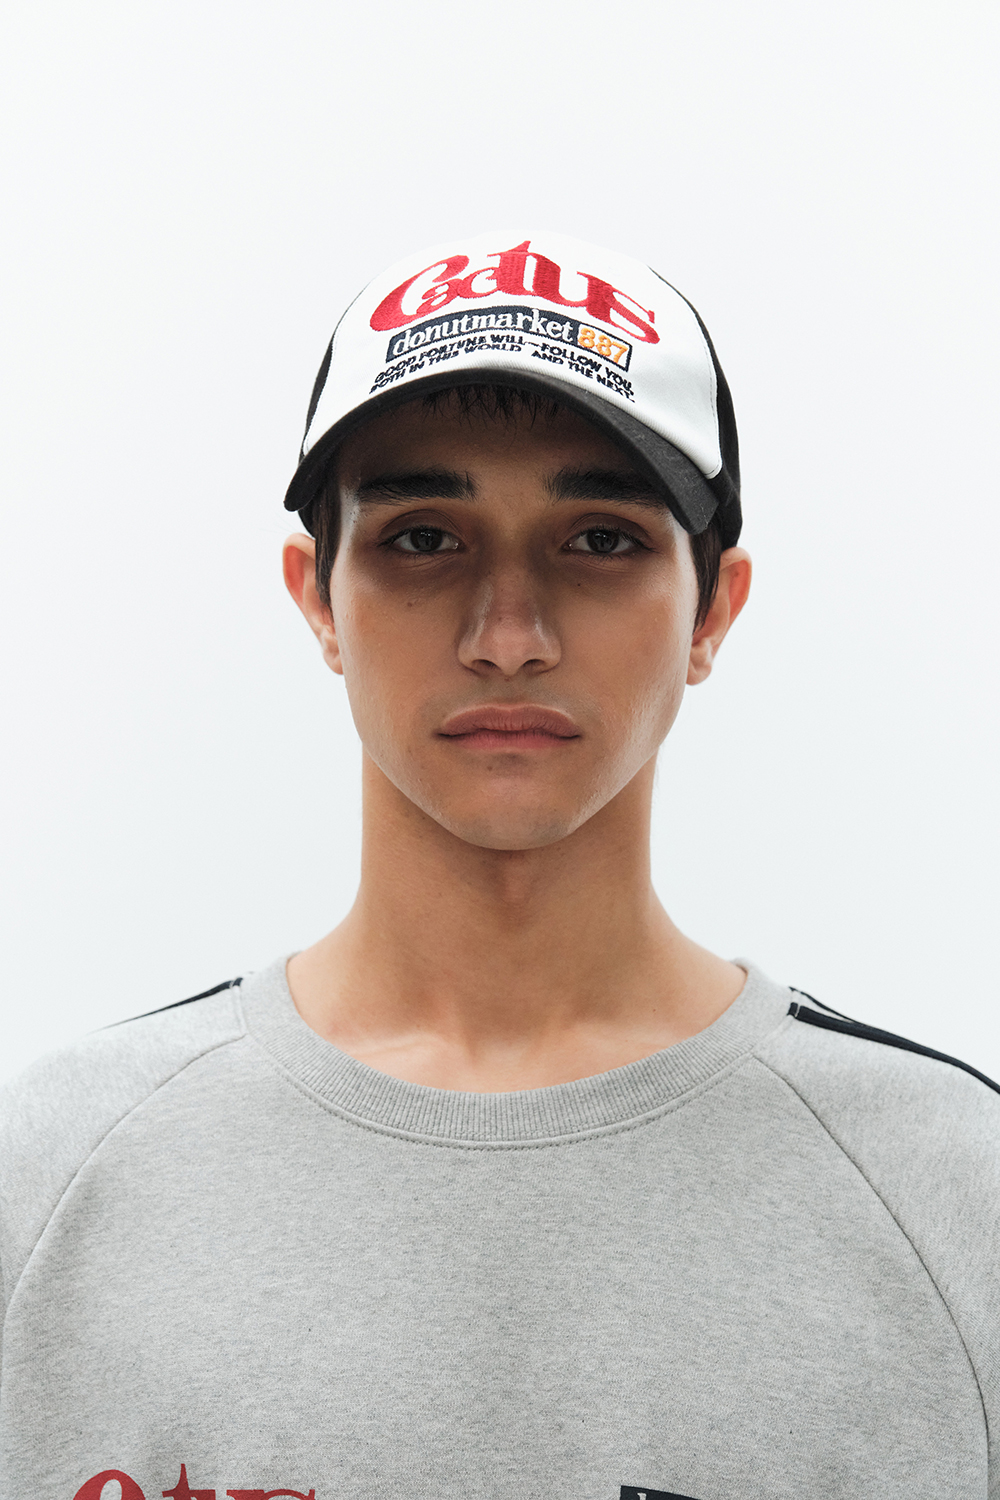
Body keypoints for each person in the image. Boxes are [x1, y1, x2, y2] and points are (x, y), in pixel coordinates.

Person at [2, 231, 998, 1500]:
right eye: (425, 538)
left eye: (600, 541)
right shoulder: (47, 1178)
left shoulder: (957, 1195)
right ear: (317, 598)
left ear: (712, 611)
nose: (508, 635)